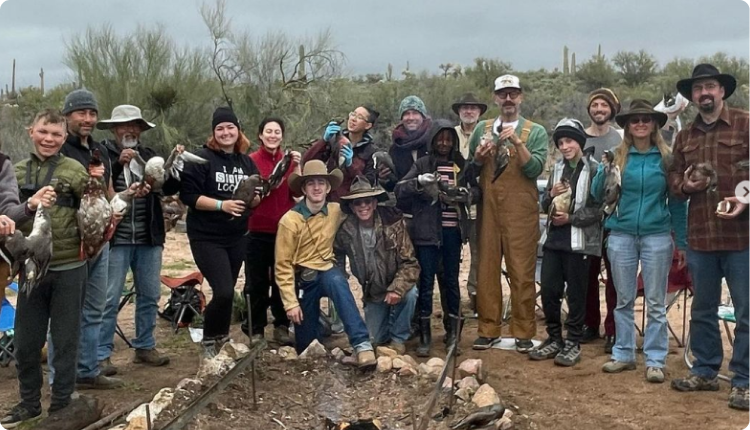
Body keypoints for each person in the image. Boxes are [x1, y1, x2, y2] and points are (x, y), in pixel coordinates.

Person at [668, 64, 750, 410]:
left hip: (742, 239)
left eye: (710, 86)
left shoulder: (746, 123)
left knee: (747, 311)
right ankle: (704, 370)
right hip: (700, 237)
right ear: (692, 95)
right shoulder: (685, 136)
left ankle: (744, 381)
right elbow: (673, 179)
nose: (704, 93)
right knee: (702, 309)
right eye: (698, 88)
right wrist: (685, 186)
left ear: (722, 91)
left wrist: (746, 198)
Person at [0, 109, 88, 427]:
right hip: (31, 270)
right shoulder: (16, 172)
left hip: (70, 267)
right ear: (30, 132)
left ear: (65, 138)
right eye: (43, 132)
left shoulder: (76, 170)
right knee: (26, 342)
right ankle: (29, 404)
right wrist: (32, 203)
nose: (49, 139)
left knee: (64, 341)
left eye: (56, 134)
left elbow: (97, 214)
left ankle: (63, 404)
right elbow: (8, 217)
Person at [591, 99, 687, 383]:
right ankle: (623, 353)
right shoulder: (617, 156)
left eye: (647, 119)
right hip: (620, 233)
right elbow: (600, 195)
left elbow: (678, 204)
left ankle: (655, 358)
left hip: (657, 234)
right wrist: (603, 171)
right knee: (623, 299)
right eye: (635, 120)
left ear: (655, 124)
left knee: (656, 301)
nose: (641, 124)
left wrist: (681, 241)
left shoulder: (667, 158)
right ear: (628, 126)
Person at [468, 74, 549, 352]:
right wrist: (480, 155)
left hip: (521, 212)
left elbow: (534, 169)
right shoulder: (482, 128)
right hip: (489, 209)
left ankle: (524, 331)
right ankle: (488, 329)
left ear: (521, 97)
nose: (508, 99)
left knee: (522, 271)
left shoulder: (535, 131)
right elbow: (472, 167)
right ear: (495, 98)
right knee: (487, 269)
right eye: (503, 94)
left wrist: (516, 142)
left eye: (513, 94)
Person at [97, 105, 177, 376]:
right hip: (116, 238)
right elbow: (100, 189)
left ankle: (144, 345)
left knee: (150, 294)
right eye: (123, 125)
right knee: (109, 298)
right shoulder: (103, 155)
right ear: (114, 129)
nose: (129, 130)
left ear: (141, 130)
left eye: (135, 125)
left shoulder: (150, 156)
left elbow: (164, 188)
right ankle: (101, 354)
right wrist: (120, 165)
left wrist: (159, 172)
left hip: (149, 235)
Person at [274, 160, 376, 368]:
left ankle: (362, 344)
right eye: (311, 183)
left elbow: (360, 206)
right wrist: (290, 303)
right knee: (306, 346)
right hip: (303, 278)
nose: (317, 187)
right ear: (304, 188)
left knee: (338, 281)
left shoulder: (336, 210)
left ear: (328, 187)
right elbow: (282, 265)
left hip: (327, 271)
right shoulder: (290, 221)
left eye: (321, 182)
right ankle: (317, 325)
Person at [53, 89, 122, 389]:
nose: (88, 119)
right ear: (67, 115)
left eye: (92, 113)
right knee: (66, 313)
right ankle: (60, 381)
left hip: (101, 240)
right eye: (81, 112)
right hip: (71, 242)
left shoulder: (100, 150)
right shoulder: (59, 149)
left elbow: (107, 191)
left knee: (96, 307)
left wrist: (116, 208)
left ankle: (87, 369)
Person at [180, 107, 261, 358]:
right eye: (220, 128)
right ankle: (208, 340)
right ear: (214, 133)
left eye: (230, 127)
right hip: (206, 235)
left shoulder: (246, 162)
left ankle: (222, 336)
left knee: (227, 291)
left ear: (238, 131)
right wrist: (221, 205)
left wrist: (255, 199)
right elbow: (189, 196)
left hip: (236, 235)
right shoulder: (201, 159)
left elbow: (251, 200)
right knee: (224, 290)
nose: (226, 132)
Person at [395, 120, 478, 356]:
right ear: (433, 140)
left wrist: (466, 195)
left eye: (448, 139)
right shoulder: (423, 164)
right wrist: (420, 184)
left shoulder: (460, 165)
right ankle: (425, 336)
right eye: (440, 138)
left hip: (453, 233)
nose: (444, 143)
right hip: (426, 235)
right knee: (426, 283)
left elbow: (477, 191)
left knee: (451, 283)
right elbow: (400, 190)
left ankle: (453, 335)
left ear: (453, 141)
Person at [530, 118, 601, 367]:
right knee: (549, 290)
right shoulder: (557, 169)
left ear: (579, 142)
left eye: (569, 140)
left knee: (577, 293)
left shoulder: (594, 169)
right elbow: (545, 206)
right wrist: (550, 197)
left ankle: (573, 340)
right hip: (553, 240)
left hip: (579, 241)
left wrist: (570, 218)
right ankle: (554, 337)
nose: (564, 146)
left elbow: (599, 208)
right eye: (560, 142)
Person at [335, 176, 419, 355]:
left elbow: (411, 263)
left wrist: (397, 288)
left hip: (396, 284)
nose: (363, 206)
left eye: (367, 201)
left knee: (411, 294)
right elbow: (336, 252)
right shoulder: (345, 230)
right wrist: (340, 274)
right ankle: (388, 324)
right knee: (375, 340)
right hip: (372, 292)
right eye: (358, 203)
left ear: (374, 204)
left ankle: (399, 338)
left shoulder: (394, 224)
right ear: (351, 207)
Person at [243, 118, 301, 345]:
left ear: (282, 136)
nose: (273, 135)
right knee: (256, 282)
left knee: (283, 280)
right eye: (269, 131)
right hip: (256, 229)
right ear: (260, 135)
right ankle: (255, 329)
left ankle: (281, 326)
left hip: (284, 230)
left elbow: (298, 195)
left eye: (277, 131)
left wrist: (297, 167)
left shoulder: (288, 163)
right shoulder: (251, 161)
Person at [581, 88, 622, 352]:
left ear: (611, 110)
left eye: (603, 105)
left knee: (614, 274)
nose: (599, 109)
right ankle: (588, 323)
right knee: (587, 272)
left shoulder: (620, 138)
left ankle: (614, 328)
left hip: (613, 213)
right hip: (585, 214)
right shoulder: (580, 137)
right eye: (595, 105)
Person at [452, 93, 488, 315]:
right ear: (458, 111)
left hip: (479, 202)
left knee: (479, 253)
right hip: (453, 204)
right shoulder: (449, 135)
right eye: (465, 108)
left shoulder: (486, 134)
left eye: (473, 108)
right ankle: (452, 297)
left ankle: (476, 295)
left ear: (480, 112)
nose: (469, 111)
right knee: (452, 253)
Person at [302, 106, 379, 201]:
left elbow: (367, 184)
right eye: (353, 114)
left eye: (359, 117)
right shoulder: (335, 141)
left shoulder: (372, 151)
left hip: (352, 204)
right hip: (328, 201)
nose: (353, 119)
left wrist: (350, 166)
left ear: (368, 125)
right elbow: (308, 162)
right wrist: (324, 141)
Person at [380, 96, 433, 217]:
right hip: (406, 212)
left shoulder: (433, 141)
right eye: (406, 114)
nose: (411, 118)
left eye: (415, 113)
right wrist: (385, 179)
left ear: (423, 116)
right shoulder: (396, 148)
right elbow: (395, 185)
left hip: (432, 212)